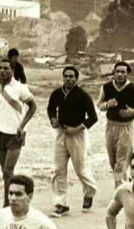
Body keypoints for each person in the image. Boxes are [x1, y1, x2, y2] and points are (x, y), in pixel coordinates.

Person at [0, 58, 37, 207]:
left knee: (8, 170)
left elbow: (33, 107)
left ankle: (7, 204)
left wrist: (22, 125)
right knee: (5, 173)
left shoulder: (20, 87)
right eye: (0, 68)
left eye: (6, 68)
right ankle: (14, 199)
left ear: (12, 70)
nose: (2, 71)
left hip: (15, 134)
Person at [46, 66, 99, 217]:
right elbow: (50, 108)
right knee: (59, 169)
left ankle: (89, 192)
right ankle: (61, 203)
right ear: (62, 77)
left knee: (81, 169)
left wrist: (77, 128)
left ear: (76, 78)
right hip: (61, 133)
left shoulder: (83, 95)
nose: (68, 79)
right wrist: (53, 119)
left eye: (71, 76)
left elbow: (93, 117)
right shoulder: (57, 93)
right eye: (66, 76)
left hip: (78, 135)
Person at [97, 61, 134, 187]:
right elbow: (99, 105)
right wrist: (107, 105)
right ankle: (127, 182)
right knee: (113, 160)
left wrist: (133, 112)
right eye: (117, 72)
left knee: (122, 160)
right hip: (110, 126)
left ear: (127, 74)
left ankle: (120, 190)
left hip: (126, 127)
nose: (120, 74)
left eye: (123, 72)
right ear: (114, 73)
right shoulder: (106, 87)